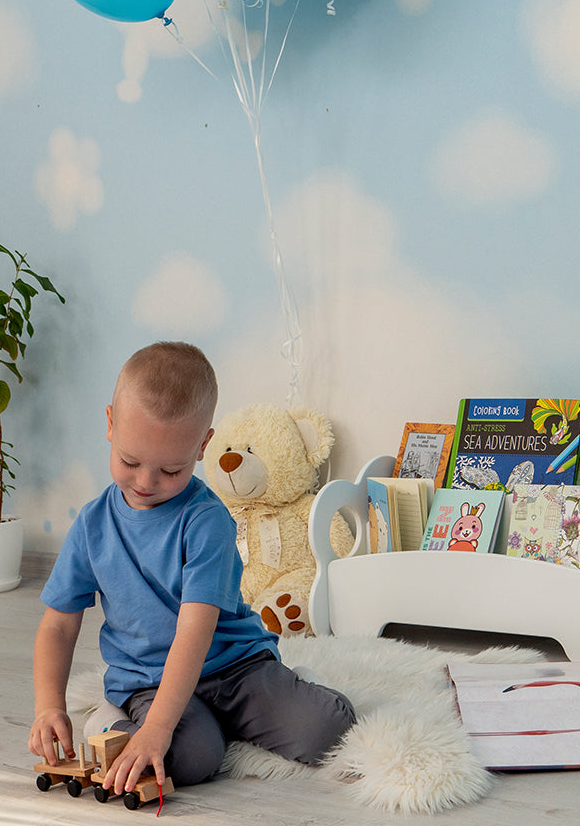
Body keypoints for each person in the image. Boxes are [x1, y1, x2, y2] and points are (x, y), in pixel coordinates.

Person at [28, 341, 355, 797]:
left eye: (171, 470)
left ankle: (276, 696)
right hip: (148, 678)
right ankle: (120, 721)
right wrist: (49, 706)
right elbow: (59, 625)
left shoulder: (207, 521)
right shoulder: (92, 524)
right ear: (109, 425)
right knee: (195, 757)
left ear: (203, 446)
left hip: (233, 665)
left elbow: (195, 631)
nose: (145, 482)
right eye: (129, 461)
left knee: (329, 731)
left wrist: (158, 728)